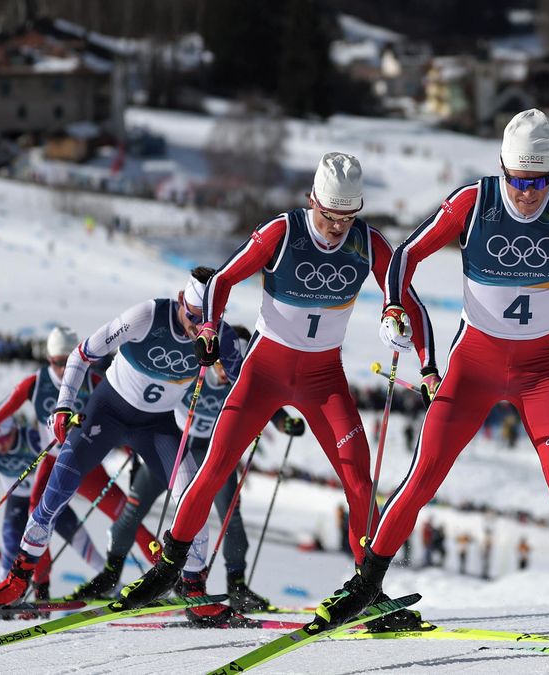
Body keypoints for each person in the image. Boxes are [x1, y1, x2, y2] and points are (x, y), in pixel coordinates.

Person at [312, 109, 549, 650]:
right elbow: (404, 256)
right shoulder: (475, 202)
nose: (529, 193)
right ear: (502, 169)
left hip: (541, 372)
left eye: (540, 181)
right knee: (424, 476)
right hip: (474, 367)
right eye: (519, 180)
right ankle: (366, 585)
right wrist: (393, 306)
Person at [116, 152, 436, 635]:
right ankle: (169, 568)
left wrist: (422, 357)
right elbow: (221, 280)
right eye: (329, 216)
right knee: (215, 467)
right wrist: (208, 327)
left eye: (347, 218)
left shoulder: (369, 244)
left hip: (324, 379)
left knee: (359, 480)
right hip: (263, 373)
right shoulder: (282, 232)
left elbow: (407, 297)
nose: (337, 229)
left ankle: (366, 591)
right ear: (314, 201)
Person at [0, 268, 220, 617]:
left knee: (194, 497)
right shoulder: (147, 315)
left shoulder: (214, 332)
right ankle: (18, 577)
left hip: (158, 426)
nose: (198, 327)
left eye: (206, 321)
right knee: (56, 490)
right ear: (182, 300)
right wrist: (63, 405)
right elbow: (81, 354)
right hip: (107, 412)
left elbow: (240, 374)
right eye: (193, 317)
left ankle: (194, 589)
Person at [70, 325, 302, 623]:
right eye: (224, 361)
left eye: (237, 363)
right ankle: (111, 574)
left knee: (230, 513)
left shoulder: (240, 381)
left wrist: (285, 424)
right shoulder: (197, 369)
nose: (227, 370)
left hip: (211, 454)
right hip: (174, 448)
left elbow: (267, 406)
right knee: (132, 509)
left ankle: (237, 586)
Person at [0, 326, 157, 593]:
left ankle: (168, 572)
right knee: (37, 518)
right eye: (56, 362)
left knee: (127, 518)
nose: (63, 369)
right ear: (48, 359)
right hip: (52, 464)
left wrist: (136, 450)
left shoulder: (93, 381)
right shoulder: (35, 384)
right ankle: (41, 586)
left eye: (68, 360)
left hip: (87, 462)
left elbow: (128, 415)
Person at [0, 417, 104, 585]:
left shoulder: (31, 438)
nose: (0, 446)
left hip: (46, 500)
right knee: (10, 546)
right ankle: (0, 596)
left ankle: (109, 579)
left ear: (14, 430)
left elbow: (63, 450)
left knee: (77, 537)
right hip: (16, 503)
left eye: (4, 439)